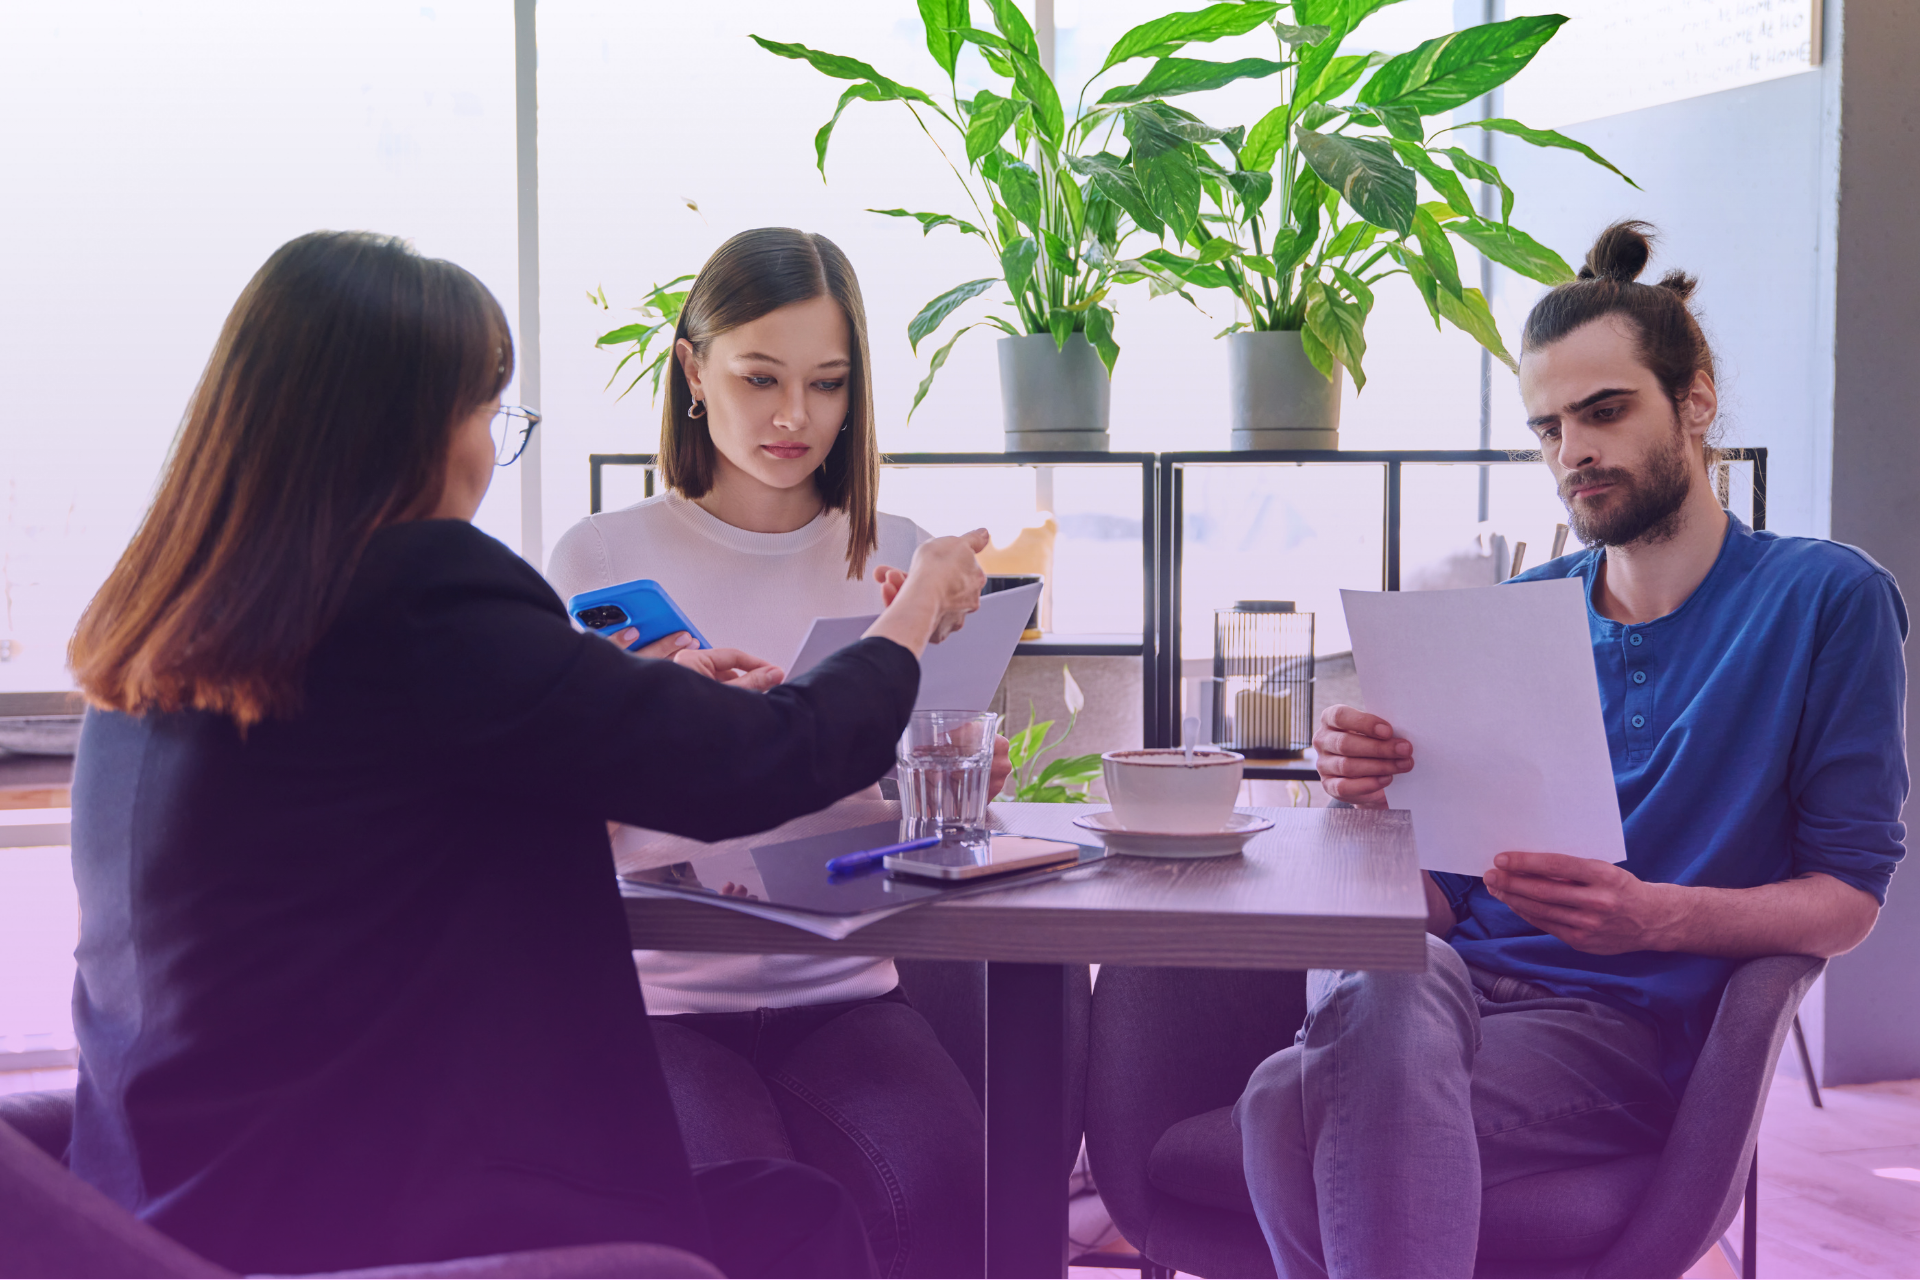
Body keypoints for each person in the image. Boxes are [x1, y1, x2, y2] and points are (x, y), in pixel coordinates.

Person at [63, 229, 990, 1279]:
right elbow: (769, 759)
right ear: (400, 424)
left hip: (166, 1216)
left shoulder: (166, 621)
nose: (484, 453)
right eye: (485, 415)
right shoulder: (422, 587)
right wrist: (913, 612)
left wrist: (648, 700)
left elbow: (420, 778)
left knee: (794, 1208)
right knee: (789, 1226)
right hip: (389, 1210)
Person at [1233, 221, 1906, 1278]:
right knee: (1384, 983)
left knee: (1284, 1102)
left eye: (1604, 412)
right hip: (1447, 995)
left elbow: (1850, 895)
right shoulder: (1520, 612)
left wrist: (1658, 914)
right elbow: (1441, 906)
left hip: (1626, 1028)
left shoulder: (1825, 600)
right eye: (1548, 427)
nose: (1573, 452)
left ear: (1695, 399)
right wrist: (1363, 798)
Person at [548, 227, 998, 1278]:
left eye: (828, 383)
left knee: (946, 1183)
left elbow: (916, 812)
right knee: (750, 1217)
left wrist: (955, 765)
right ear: (693, 370)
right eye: (760, 377)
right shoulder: (602, 557)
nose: (795, 416)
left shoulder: (899, 552)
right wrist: (673, 725)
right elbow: (570, 809)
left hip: (841, 980)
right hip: (662, 994)